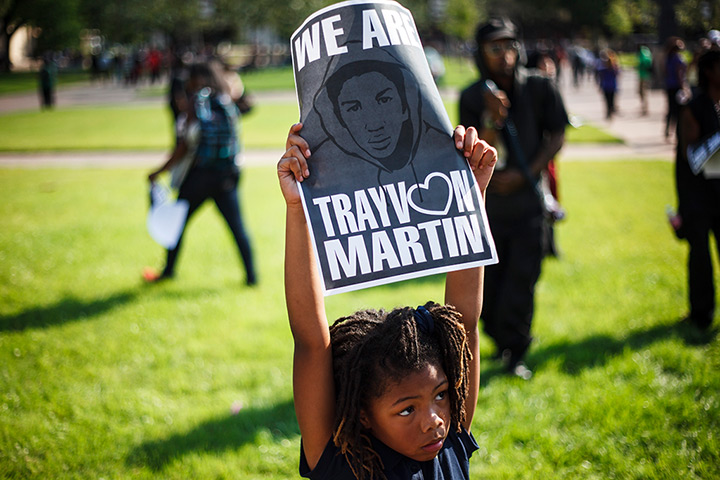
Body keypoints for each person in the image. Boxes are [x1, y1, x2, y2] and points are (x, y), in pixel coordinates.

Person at [278, 121, 496, 480]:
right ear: (364, 415)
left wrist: (469, 193)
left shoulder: (453, 440)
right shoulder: (342, 465)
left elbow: (464, 324)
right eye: (407, 410)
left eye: (441, 394)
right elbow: (311, 341)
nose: (434, 420)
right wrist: (298, 208)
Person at [459, 17, 568, 378]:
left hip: (528, 205)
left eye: (509, 45)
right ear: (481, 53)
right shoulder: (472, 96)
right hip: (489, 209)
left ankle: (517, 351)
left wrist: (527, 172)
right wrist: (491, 116)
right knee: (489, 289)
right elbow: (474, 149)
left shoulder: (540, 86)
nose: (504, 54)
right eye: (495, 47)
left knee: (522, 281)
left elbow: (556, 134)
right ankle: (501, 340)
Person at [145, 62, 257, 286]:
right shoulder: (226, 99)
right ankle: (252, 278)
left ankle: (168, 272)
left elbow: (186, 144)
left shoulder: (200, 101)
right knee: (237, 227)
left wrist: (158, 171)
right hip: (227, 175)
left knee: (176, 222)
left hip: (201, 176)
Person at [674, 49, 720, 331]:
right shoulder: (694, 106)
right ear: (710, 71)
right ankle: (701, 315)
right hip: (699, 199)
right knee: (701, 257)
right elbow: (690, 157)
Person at [665, 36, 689, 140]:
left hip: (669, 86)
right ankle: (678, 133)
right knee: (679, 112)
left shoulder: (668, 58)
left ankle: (667, 129)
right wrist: (684, 88)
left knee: (670, 109)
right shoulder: (678, 59)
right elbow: (680, 75)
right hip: (677, 87)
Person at [596, 48, 620, 120]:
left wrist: (600, 86)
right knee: (611, 100)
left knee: (607, 101)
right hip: (612, 86)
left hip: (606, 86)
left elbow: (600, 78)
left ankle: (608, 113)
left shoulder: (603, 69)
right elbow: (618, 75)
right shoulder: (613, 69)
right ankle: (610, 111)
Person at [637, 45, 653, 116]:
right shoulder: (647, 53)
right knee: (642, 93)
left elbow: (643, 63)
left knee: (643, 93)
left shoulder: (643, 54)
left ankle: (645, 108)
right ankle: (644, 107)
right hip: (644, 76)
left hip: (643, 76)